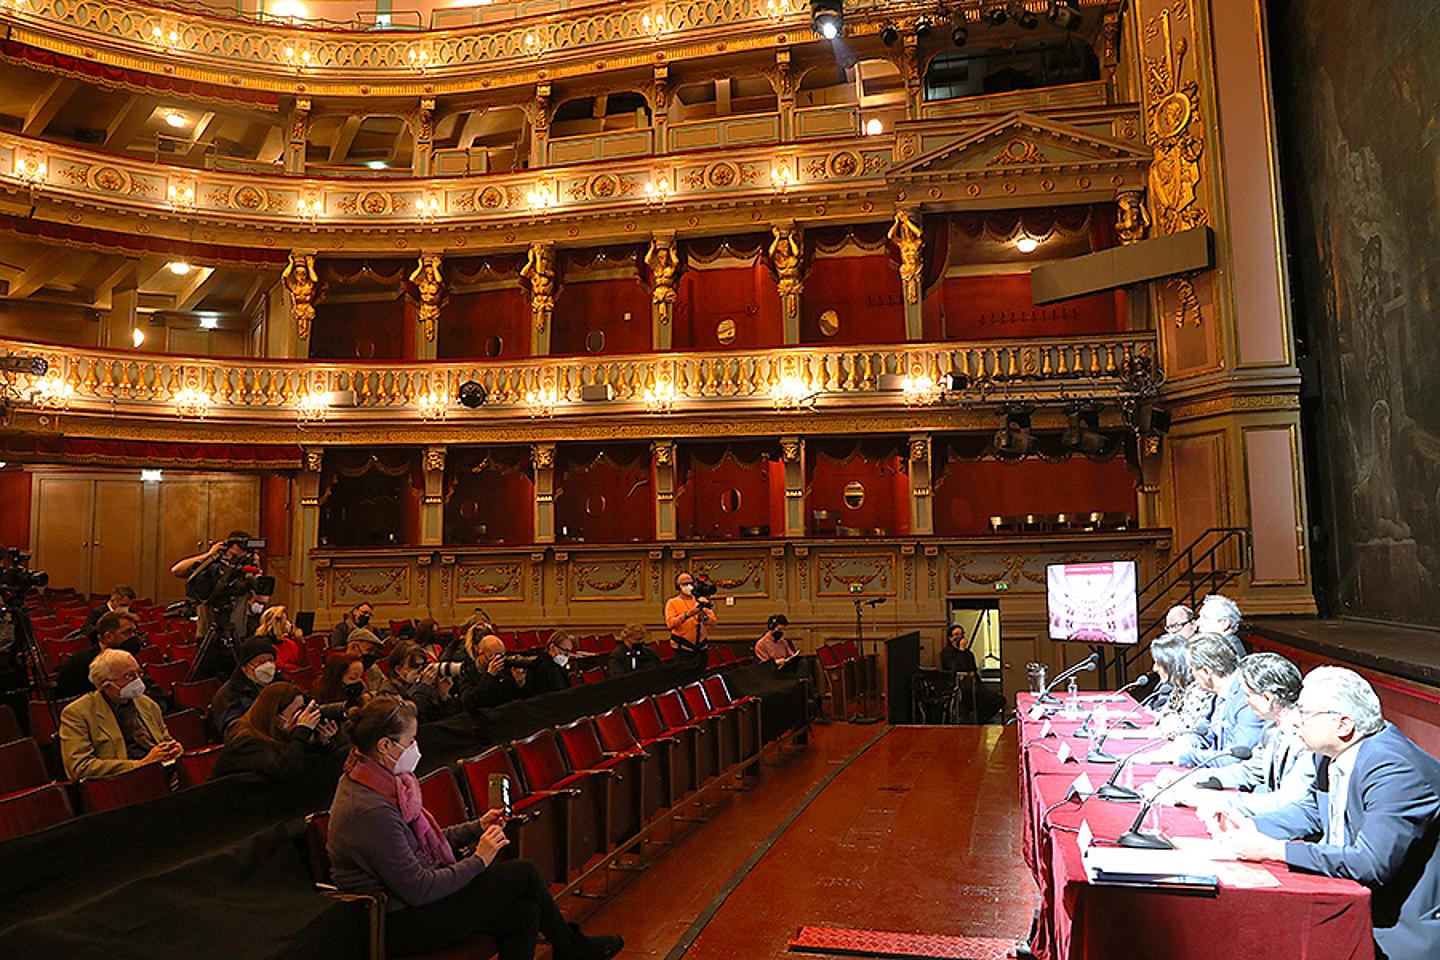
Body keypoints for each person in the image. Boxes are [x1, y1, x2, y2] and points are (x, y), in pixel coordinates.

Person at [326, 697, 623, 959]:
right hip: (396, 921)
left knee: (524, 914)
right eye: (411, 741)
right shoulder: (369, 807)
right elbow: (418, 888)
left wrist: (477, 827)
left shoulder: (382, 780)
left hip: (412, 904)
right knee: (522, 873)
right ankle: (572, 950)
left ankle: (570, 949)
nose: (416, 749)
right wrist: (479, 859)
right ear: (385, 746)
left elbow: (426, 843)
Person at [1212, 667, 1440, 960]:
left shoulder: (1393, 769)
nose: (1295, 721)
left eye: (1305, 713)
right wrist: (1248, 826)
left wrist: (1274, 849)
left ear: (1344, 724)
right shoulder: (1333, 753)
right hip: (1345, 899)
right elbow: (1311, 813)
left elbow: (1370, 863)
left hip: (1396, 928)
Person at [1178, 652, 1315, 819]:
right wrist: (1190, 778)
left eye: (1248, 695)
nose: (1245, 701)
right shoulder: (1272, 727)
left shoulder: (1307, 738)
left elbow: (1286, 802)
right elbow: (1250, 771)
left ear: (1267, 698)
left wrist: (1215, 799)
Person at [59, 648, 181, 780]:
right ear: (105, 684)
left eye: (139, 673)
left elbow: (164, 739)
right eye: (129, 676)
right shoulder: (77, 714)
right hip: (120, 784)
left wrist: (174, 749)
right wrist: (140, 764)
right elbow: (79, 767)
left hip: (162, 774)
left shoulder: (146, 703)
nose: (138, 680)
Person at [213, 681, 341, 781]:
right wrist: (302, 730)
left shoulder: (282, 733)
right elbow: (284, 769)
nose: (300, 717)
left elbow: (301, 761)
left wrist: (322, 742)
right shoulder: (246, 740)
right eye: (294, 713)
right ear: (275, 715)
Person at [1173, 632, 1266, 767]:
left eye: (1192, 669)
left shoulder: (1247, 699)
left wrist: (1188, 757)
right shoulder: (1221, 693)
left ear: (1206, 672)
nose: (1191, 675)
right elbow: (1207, 731)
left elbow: (1236, 757)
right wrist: (1186, 742)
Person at [54, 611, 141, 700]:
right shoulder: (84, 662)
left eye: (135, 632)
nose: (133, 637)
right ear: (108, 637)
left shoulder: (127, 657)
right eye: (127, 633)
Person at [210, 637, 278, 736]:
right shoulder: (229, 694)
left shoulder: (279, 682)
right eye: (261, 662)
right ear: (245, 668)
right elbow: (234, 731)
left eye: (270, 660)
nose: (268, 666)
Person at [379, 642, 461, 723]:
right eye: (414, 666)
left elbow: (441, 719)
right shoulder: (388, 692)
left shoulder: (425, 688)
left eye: (423, 666)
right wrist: (423, 686)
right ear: (398, 669)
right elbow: (411, 716)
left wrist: (443, 696)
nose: (420, 671)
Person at [939, 624, 1005, 723]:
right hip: (958, 688)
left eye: (961, 634)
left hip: (973, 686)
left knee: (998, 700)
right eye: (956, 634)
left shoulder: (968, 654)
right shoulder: (947, 653)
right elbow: (955, 668)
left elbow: (973, 670)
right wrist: (961, 650)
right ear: (950, 638)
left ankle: (979, 720)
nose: (959, 637)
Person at [1151, 632, 1214, 733]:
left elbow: (1187, 730)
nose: (1154, 668)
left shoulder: (1199, 690)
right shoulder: (1178, 689)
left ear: (1171, 663)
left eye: (1158, 663)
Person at [458, 632, 523, 713]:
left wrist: (519, 684)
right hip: (482, 714)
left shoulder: (504, 667)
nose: (498, 660)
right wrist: (489, 676)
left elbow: (510, 697)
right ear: (481, 653)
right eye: (493, 656)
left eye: (501, 655)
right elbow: (469, 703)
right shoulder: (468, 671)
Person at [664, 571, 716, 657]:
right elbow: (670, 624)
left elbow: (713, 623)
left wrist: (703, 616)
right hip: (682, 647)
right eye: (684, 584)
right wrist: (688, 614)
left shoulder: (701, 600)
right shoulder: (672, 602)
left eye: (690, 583)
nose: (688, 586)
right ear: (678, 586)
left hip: (701, 647)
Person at [315, 653, 371, 719]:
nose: (359, 681)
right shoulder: (326, 709)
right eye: (352, 678)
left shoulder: (361, 698)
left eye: (361, 677)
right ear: (336, 678)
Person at [258, 605, 307, 674]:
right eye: (286, 620)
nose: (289, 623)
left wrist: (300, 641)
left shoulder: (289, 643)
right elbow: (280, 667)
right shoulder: (264, 645)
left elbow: (303, 663)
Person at [1196, 594, 1247, 659]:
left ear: (1224, 623)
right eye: (1199, 617)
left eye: (1205, 618)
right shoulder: (1220, 646)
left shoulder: (1228, 651)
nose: (1198, 622)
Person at [523, 632, 574, 697]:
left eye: (569, 652)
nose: (567, 655)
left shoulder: (559, 665)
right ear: (552, 647)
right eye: (565, 651)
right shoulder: (540, 664)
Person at [347, 627, 387, 691]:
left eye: (374, 651)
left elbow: (385, 685)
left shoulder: (373, 669)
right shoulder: (341, 671)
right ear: (354, 647)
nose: (372, 654)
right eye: (369, 650)